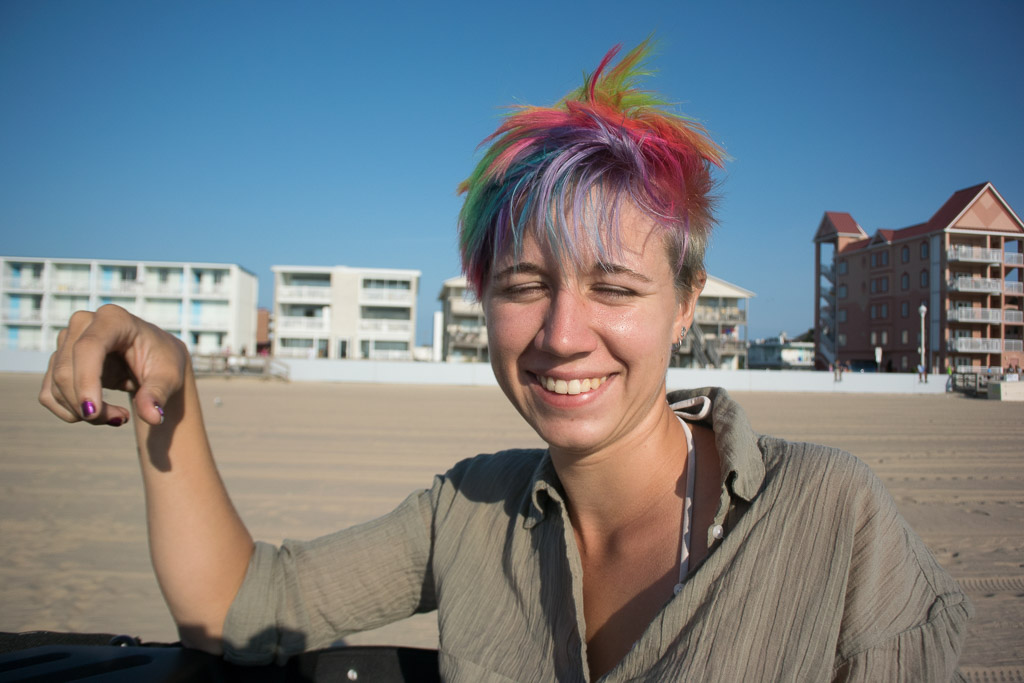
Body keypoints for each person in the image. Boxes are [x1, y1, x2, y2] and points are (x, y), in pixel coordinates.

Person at [38, 42, 970, 681]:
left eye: (614, 286)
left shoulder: (829, 512)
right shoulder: (467, 511)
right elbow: (241, 605)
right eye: (525, 284)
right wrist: (172, 396)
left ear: (685, 303)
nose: (562, 333)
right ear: (483, 298)